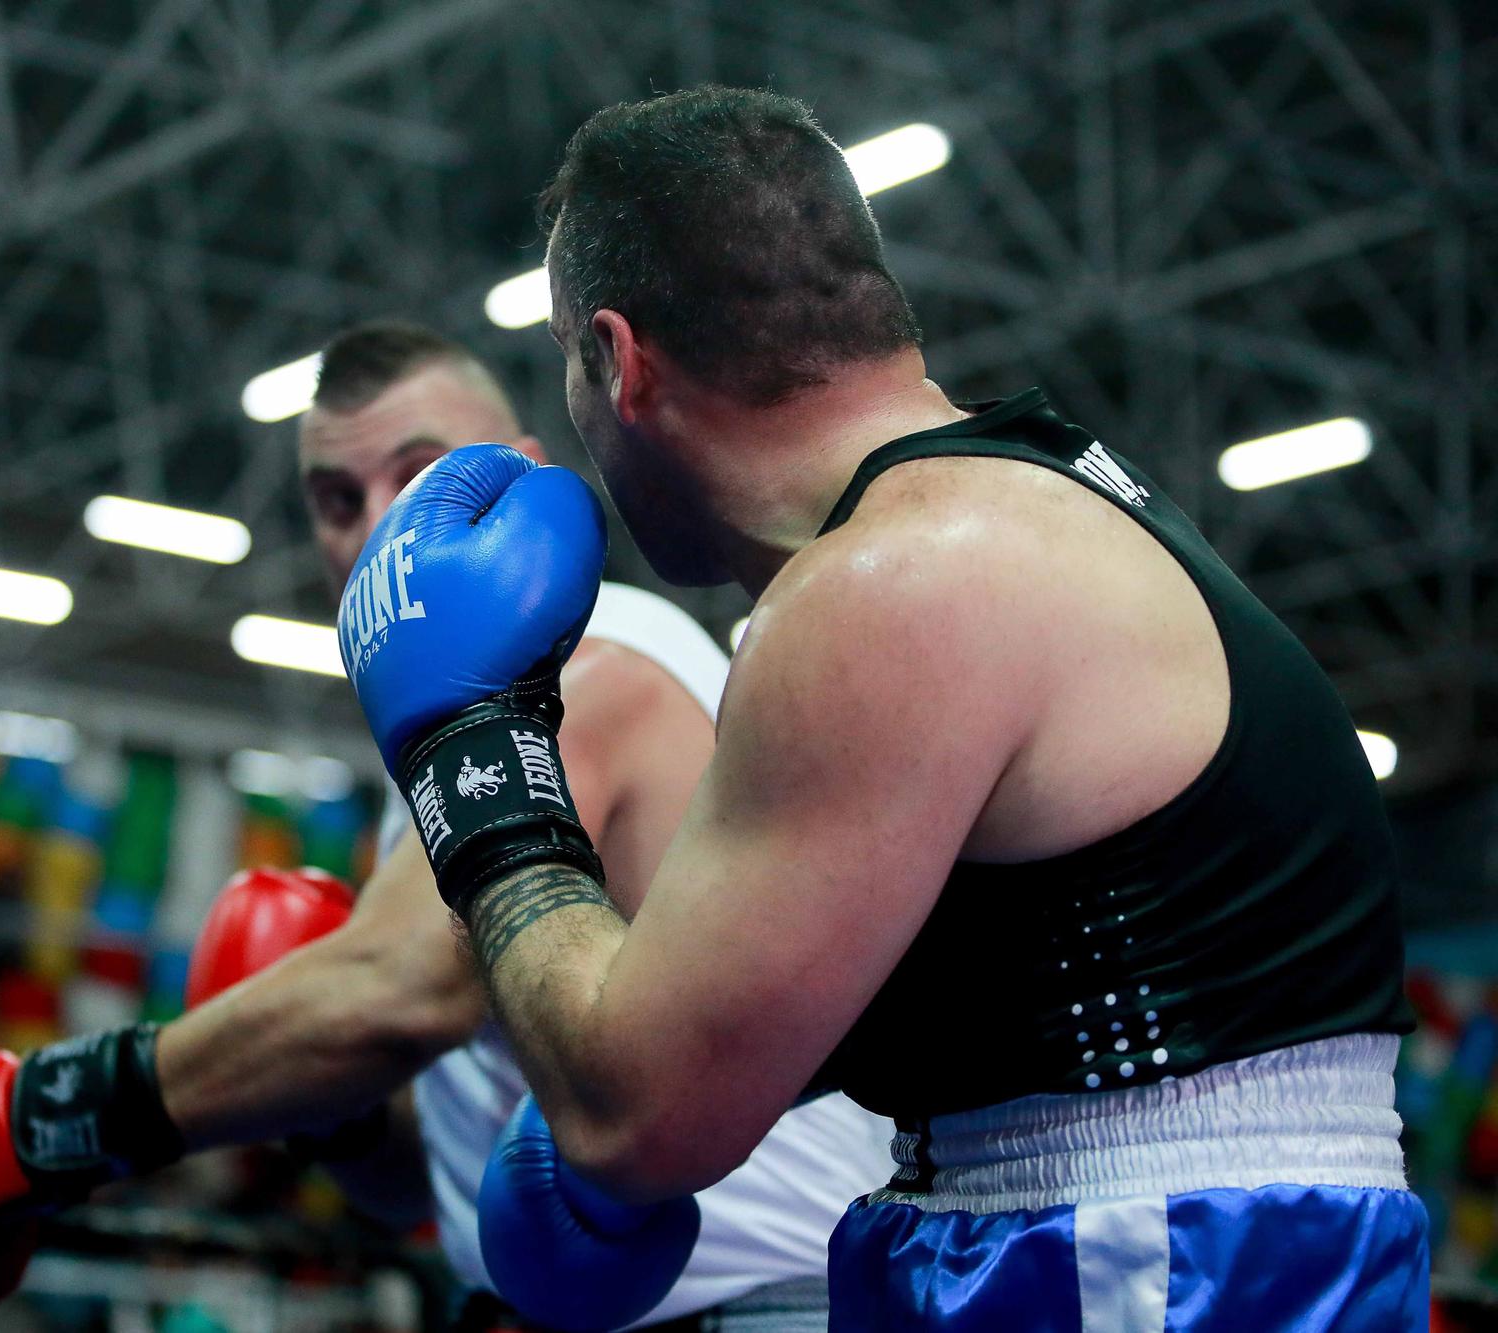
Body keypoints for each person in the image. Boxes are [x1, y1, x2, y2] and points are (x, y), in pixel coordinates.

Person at [337, 87, 1428, 1330]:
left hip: (1149, 1254)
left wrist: (467, 751)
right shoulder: (1016, 500)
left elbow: (633, 1117)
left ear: (617, 361)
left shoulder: (888, 585)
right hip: (1124, 1227)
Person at [0, 319, 894, 1329]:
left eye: (419, 473)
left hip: (752, 1307)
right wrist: (334, 1114)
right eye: (336, 498)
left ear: (514, 478)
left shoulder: (587, 664)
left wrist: (40, 1118)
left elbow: (398, 990)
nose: (377, 523)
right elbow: (419, 1187)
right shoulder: (443, 741)